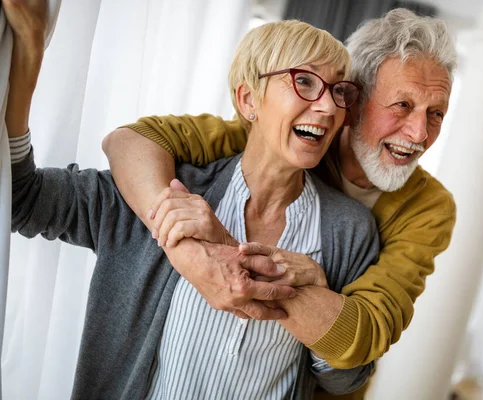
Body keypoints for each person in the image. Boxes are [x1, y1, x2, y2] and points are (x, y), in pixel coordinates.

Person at [4, 1, 378, 398]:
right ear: (248, 100)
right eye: (304, 81)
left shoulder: (349, 230)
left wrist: (313, 300)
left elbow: (345, 378)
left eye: (339, 90)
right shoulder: (163, 191)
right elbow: (20, 199)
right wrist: (29, 52)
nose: (326, 106)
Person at [104, 6, 458, 381]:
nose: (420, 133)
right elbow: (130, 141)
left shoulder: (430, 208)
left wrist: (247, 259)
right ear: (352, 102)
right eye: (402, 105)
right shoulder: (290, 137)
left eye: (436, 113)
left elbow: (365, 334)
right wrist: (187, 252)